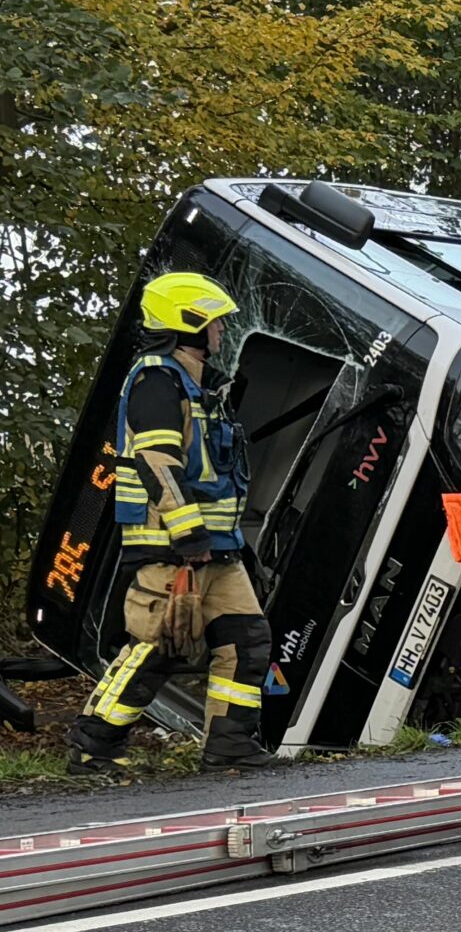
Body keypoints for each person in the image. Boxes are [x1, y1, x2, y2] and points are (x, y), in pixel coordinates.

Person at [66, 272, 276, 774]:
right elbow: (156, 461)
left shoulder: (197, 386)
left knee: (247, 641)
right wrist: (187, 533)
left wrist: (213, 538)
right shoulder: (155, 380)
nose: (222, 332)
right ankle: (92, 746)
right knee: (155, 646)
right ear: (191, 323)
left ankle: (229, 745)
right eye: (217, 323)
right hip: (173, 547)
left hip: (217, 549)